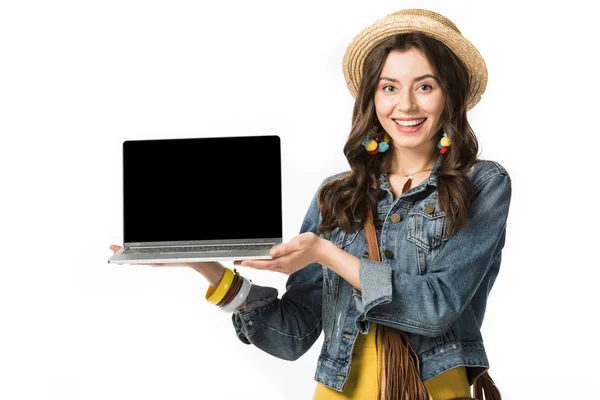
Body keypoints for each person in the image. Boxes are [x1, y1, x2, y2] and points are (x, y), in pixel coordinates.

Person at [110, 8, 511, 400]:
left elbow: (435, 307)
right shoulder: (338, 194)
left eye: (425, 86)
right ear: (372, 97)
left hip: (431, 390)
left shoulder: (481, 184)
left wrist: (326, 253)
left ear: (450, 95)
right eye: (389, 87)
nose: (405, 106)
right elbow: (294, 335)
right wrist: (203, 263)